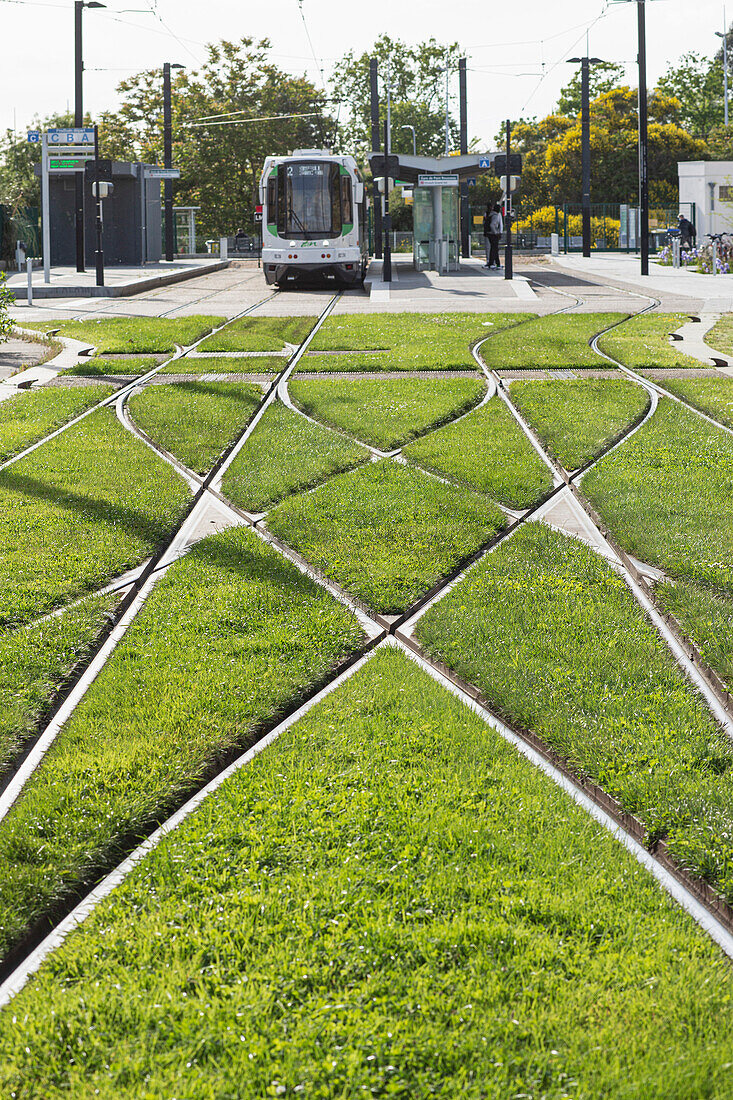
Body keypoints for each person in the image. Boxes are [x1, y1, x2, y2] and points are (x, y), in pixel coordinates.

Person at [483, 203, 503, 270]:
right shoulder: (495, 215)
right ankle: (492, 263)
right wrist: (496, 233)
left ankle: (497, 263)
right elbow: (492, 225)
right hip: (493, 234)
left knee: (494, 248)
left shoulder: (490, 214)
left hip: (489, 233)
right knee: (494, 248)